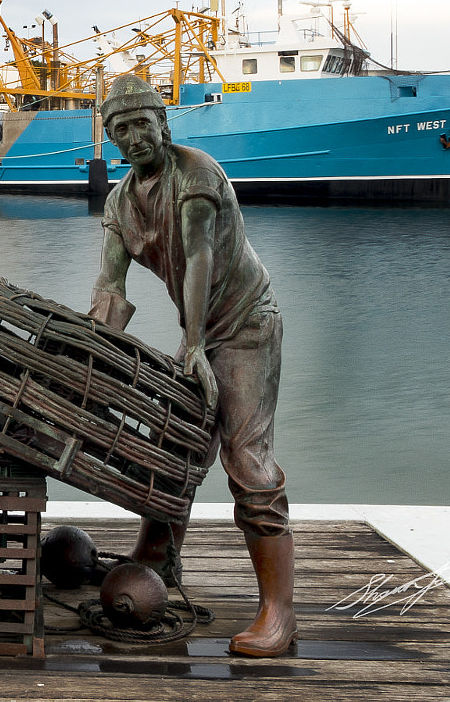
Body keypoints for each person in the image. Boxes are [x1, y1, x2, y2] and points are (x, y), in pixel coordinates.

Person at [88, 74, 296, 657]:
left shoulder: (196, 174)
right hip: (198, 331)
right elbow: (109, 288)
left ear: (164, 125)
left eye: (141, 124)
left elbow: (198, 253)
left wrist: (197, 344)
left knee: (247, 460)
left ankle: (279, 611)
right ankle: (154, 555)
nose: (133, 137)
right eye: (119, 129)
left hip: (245, 323)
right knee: (175, 442)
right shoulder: (119, 202)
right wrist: (91, 357)